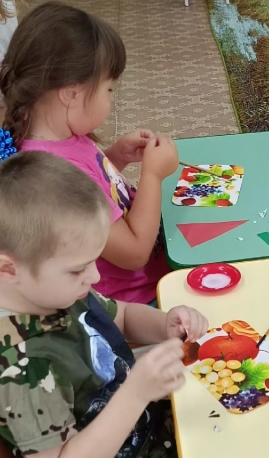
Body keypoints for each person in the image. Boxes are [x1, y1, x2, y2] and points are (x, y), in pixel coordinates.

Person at [0, 150, 209, 458]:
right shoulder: (20, 369)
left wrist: (164, 324)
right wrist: (136, 393)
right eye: (79, 268)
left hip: (146, 437)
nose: (95, 277)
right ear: (8, 269)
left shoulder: (58, 290)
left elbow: (121, 316)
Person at [0, 1, 178, 305]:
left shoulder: (59, 138)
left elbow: (92, 187)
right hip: (138, 299)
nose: (111, 98)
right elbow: (135, 253)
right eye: (109, 89)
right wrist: (152, 175)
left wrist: (115, 157)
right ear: (71, 93)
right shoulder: (51, 177)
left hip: (155, 273)